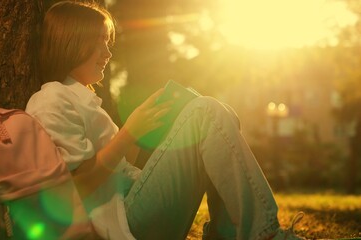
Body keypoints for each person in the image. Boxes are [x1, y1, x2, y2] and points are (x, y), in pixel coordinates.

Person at [26, 1, 306, 239]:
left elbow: (121, 164)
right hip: (121, 227)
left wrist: (152, 126)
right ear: (73, 41)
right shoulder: (51, 100)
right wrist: (129, 133)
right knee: (206, 112)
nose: (108, 53)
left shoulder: (84, 101)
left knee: (221, 115)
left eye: (107, 43)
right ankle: (265, 234)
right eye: (98, 42)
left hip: (132, 204)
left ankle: (227, 234)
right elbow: (75, 190)